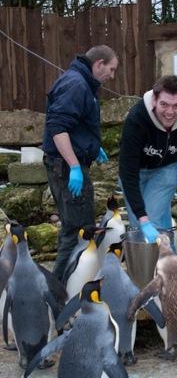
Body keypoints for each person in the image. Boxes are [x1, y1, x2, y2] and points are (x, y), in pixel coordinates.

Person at [43, 45, 118, 280]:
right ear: (98, 64)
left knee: (74, 229)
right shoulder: (77, 84)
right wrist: (74, 165)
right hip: (66, 168)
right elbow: (57, 127)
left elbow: (75, 124)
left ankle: (66, 289)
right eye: (111, 69)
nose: (112, 76)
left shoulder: (80, 81)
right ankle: (61, 292)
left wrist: (93, 146)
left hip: (66, 163)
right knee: (78, 232)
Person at [119, 75, 177, 248]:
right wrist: (142, 219)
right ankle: (160, 270)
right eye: (164, 104)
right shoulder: (137, 119)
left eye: (176, 105)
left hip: (168, 168)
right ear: (155, 100)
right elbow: (128, 174)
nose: (170, 112)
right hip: (136, 173)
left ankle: (164, 273)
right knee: (140, 226)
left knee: (153, 220)